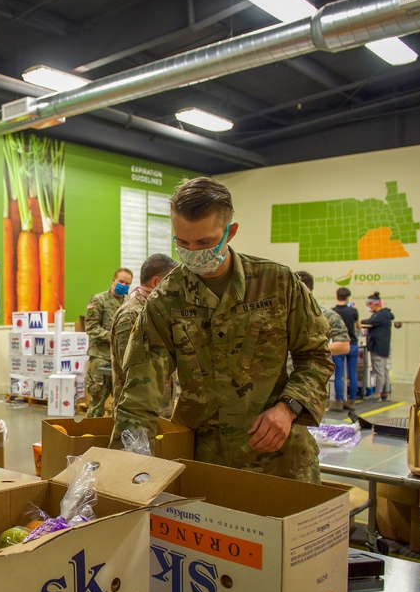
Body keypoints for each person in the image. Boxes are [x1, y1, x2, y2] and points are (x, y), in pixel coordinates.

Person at [113, 176, 333, 483]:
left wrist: (289, 407)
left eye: (203, 242)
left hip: (280, 461)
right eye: (182, 243)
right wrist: (124, 470)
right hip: (203, 463)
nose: (192, 252)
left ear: (230, 232)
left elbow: (316, 357)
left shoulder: (277, 283)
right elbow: (140, 392)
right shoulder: (166, 300)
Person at [111, 254, 177, 420]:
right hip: (136, 414)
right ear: (156, 282)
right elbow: (131, 370)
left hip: (160, 410)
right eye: (172, 281)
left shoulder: (157, 312)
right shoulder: (132, 315)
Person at [295, 271, 351, 411]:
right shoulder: (282, 314)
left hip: (309, 384)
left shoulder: (325, 315)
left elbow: (344, 346)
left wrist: (310, 348)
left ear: (305, 287)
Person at [84, 267, 133, 417]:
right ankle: (91, 437)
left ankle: (113, 437)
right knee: (97, 401)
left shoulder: (129, 303)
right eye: (121, 281)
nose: (123, 285)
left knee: (120, 404)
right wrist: (113, 337)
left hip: (120, 360)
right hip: (101, 357)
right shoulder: (98, 300)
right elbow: (91, 328)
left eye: (127, 283)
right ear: (113, 281)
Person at [361, 291, 395, 401]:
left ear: (375, 304)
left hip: (378, 347)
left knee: (379, 372)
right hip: (383, 347)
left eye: (369, 305)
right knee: (384, 371)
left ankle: (377, 394)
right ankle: (386, 392)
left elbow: (369, 321)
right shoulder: (385, 314)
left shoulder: (380, 315)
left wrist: (360, 321)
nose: (369, 307)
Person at [332, 286, 361, 410]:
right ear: (348, 297)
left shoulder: (332, 312)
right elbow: (359, 326)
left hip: (338, 345)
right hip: (352, 344)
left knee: (338, 374)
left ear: (336, 296)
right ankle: (352, 401)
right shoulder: (353, 311)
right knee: (352, 373)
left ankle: (338, 402)